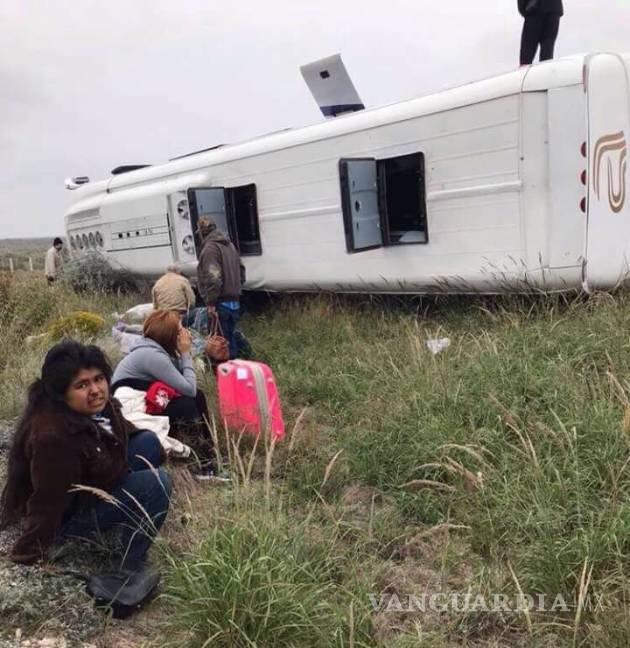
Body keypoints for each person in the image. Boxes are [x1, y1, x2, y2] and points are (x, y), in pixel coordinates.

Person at [0, 341, 171, 569]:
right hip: (71, 514)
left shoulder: (97, 404)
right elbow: (48, 501)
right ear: (61, 393)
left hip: (93, 475)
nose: (95, 390)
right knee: (157, 483)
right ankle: (128, 564)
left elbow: (122, 434)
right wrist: (28, 553)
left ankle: (130, 507)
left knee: (148, 442)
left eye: (99, 379)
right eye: (81, 385)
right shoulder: (53, 437)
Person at [110, 310, 216, 476]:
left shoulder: (153, 350)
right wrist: (185, 353)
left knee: (197, 397)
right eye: (180, 331)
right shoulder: (152, 355)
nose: (185, 335)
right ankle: (201, 463)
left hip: (141, 401)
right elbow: (188, 387)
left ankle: (207, 455)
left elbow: (183, 383)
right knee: (187, 404)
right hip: (130, 410)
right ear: (170, 336)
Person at [196, 216, 245, 359]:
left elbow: (213, 278)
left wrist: (211, 303)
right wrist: (235, 288)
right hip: (234, 301)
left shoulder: (210, 248)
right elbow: (241, 271)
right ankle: (235, 370)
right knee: (230, 339)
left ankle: (225, 374)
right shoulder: (230, 246)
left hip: (220, 302)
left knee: (220, 344)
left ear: (201, 232)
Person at [518, 0, 563, 66]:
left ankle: (525, 74)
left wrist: (524, 8)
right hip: (552, 8)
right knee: (546, 51)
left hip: (536, 9)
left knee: (527, 55)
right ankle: (545, 73)